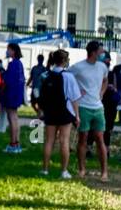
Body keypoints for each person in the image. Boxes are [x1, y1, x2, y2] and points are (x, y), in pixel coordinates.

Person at [69, 41, 109, 180]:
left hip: (98, 107)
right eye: (100, 51)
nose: (102, 54)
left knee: (100, 139)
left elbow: (105, 80)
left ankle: (104, 172)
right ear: (93, 53)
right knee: (83, 139)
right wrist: (76, 91)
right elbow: (67, 77)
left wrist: (102, 93)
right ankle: (82, 169)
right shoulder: (79, 67)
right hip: (83, 107)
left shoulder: (103, 67)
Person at [39, 49, 81, 179]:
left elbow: (42, 96)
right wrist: (77, 116)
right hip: (64, 113)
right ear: (64, 61)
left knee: (49, 141)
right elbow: (74, 98)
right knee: (64, 141)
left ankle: (45, 169)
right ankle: (63, 171)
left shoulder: (46, 75)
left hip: (50, 112)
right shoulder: (69, 76)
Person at [1, 43, 26, 153]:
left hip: (11, 94)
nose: (7, 51)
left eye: (8, 49)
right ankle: (16, 143)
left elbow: (7, 81)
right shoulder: (19, 64)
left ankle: (12, 143)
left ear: (13, 51)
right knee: (15, 118)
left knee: (11, 119)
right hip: (17, 94)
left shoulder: (13, 64)